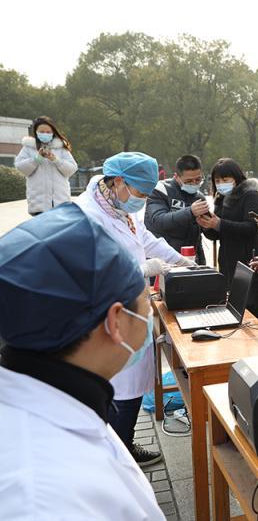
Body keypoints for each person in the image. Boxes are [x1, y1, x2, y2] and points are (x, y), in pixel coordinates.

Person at [0, 204, 165, 519]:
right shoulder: (41, 501)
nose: (149, 312)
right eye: (144, 298)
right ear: (115, 321)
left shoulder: (61, 398)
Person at [76, 151, 191, 466]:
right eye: (139, 193)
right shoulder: (89, 214)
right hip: (109, 315)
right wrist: (144, 267)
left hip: (131, 311)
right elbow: (97, 267)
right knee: (123, 391)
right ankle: (119, 459)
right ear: (118, 181)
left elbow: (148, 239)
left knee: (131, 388)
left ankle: (124, 445)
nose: (140, 201)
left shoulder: (117, 207)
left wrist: (182, 263)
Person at [199, 158, 258, 319]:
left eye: (225, 179)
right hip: (227, 264)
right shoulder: (221, 199)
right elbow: (217, 234)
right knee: (231, 310)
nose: (221, 183)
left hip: (249, 262)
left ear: (236, 178)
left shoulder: (250, 196)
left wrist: (220, 223)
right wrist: (206, 225)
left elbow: (252, 227)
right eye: (217, 180)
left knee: (252, 312)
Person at [144, 154, 208, 265]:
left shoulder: (199, 197)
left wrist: (211, 225)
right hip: (163, 261)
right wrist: (190, 212)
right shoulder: (160, 190)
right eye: (188, 181)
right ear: (176, 177)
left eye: (198, 180)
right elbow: (158, 220)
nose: (194, 184)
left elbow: (199, 237)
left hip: (190, 259)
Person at [14, 116, 78, 216]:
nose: (45, 134)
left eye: (48, 132)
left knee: (59, 230)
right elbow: (21, 167)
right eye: (42, 131)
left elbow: (72, 169)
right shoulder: (28, 148)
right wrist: (37, 159)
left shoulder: (61, 148)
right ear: (36, 132)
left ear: (53, 132)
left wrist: (56, 160)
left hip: (60, 202)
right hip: (38, 203)